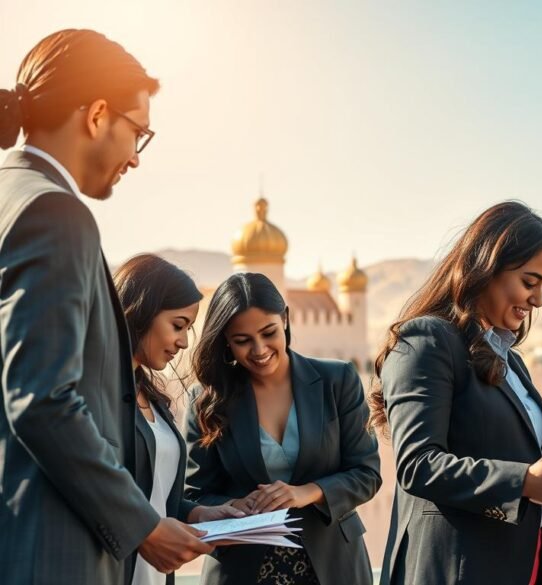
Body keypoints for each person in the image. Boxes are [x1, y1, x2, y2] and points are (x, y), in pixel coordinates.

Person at [0, 29, 211, 584]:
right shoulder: (54, 212)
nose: (135, 160)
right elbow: (42, 398)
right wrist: (142, 524)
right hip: (50, 554)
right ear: (97, 114)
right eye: (137, 133)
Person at [370, 201, 542, 585]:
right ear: (485, 268)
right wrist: (524, 482)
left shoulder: (512, 363)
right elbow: (418, 464)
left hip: (528, 561)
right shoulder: (426, 340)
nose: (538, 300)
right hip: (460, 567)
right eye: (529, 282)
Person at [186, 272, 381, 585]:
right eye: (242, 341)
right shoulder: (206, 400)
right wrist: (236, 506)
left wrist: (304, 493)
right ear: (226, 341)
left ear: (286, 319)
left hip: (333, 567)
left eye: (268, 333)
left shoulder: (338, 380)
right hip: (242, 571)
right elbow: (193, 495)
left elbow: (366, 474)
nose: (259, 349)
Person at [114, 254, 247, 585]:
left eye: (188, 329)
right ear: (141, 311)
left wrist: (198, 513)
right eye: (177, 325)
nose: (184, 341)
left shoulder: (152, 397)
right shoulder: (95, 395)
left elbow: (154, 492)